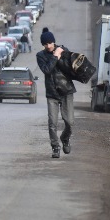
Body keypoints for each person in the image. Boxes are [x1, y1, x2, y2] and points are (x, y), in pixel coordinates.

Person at [36, 28, 76, 159]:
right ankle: (55, 147)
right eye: (45, 44)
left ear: (54, 42)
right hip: (52, 93)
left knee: (69, 122)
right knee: (52, 123)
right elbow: (47, 70)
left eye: (50, 43)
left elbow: (69, 68)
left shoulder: (64, 50)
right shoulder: (40, 56)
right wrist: (55, 56)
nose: (48, 46)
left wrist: (61, 54)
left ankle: (65, 138)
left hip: (66, 91)